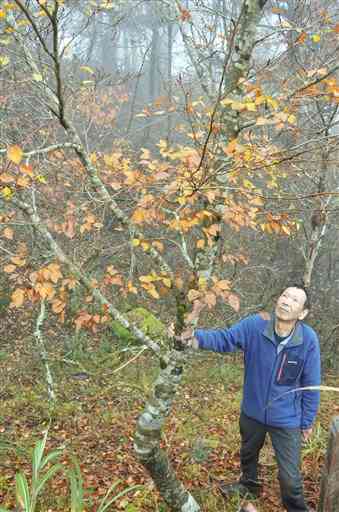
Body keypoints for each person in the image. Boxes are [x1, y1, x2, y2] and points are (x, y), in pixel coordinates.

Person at [178, 285, 321, 512]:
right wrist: (194, 338)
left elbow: (311, 386)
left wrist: (306, 423)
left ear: (302, 313)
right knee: (248, 455)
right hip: (252, 412)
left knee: (290, 477)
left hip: (287, 419)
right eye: (284, 295)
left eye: (294, 300)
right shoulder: (255, 325)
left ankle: (296, 508)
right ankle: (248, 487)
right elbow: (225, 339)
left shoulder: (308, 340)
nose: (286, 301)